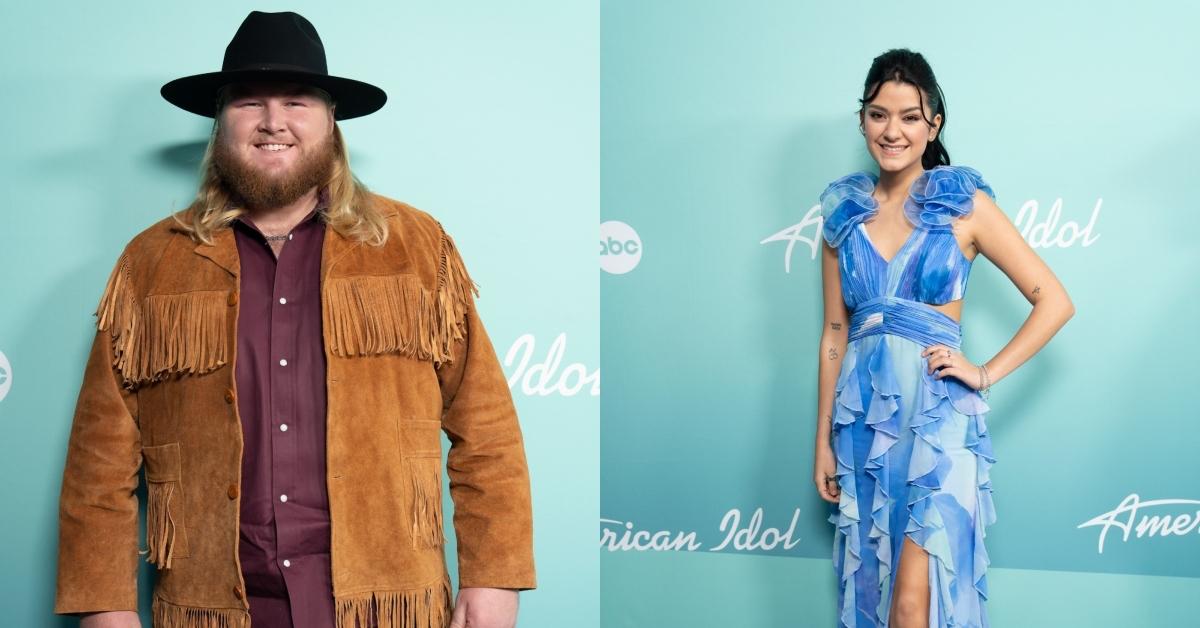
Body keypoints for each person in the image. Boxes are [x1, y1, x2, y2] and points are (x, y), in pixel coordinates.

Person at [53, 11, 536, 628]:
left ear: (331, 122)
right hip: (216, 606)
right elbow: (99, 459)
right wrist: (105, 605)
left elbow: (485, 424)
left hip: (385, 603)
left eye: (297, 102)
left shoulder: (416, 245)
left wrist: (495, 576)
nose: (274, 122)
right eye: (250, 102)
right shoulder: (151, 262)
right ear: (220, 123)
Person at [811, 49, 1073, 627]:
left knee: (914, 602)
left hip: (938, 418)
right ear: (862, 121)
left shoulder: (965, 207)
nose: (893, 130)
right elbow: (835, 331)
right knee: (872, 595)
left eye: (910, 116)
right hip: (862, 422)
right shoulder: (842, 216)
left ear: (934, 124)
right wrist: (823, 439)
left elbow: (1054, 301)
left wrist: (983, 373)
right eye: (879, 115)